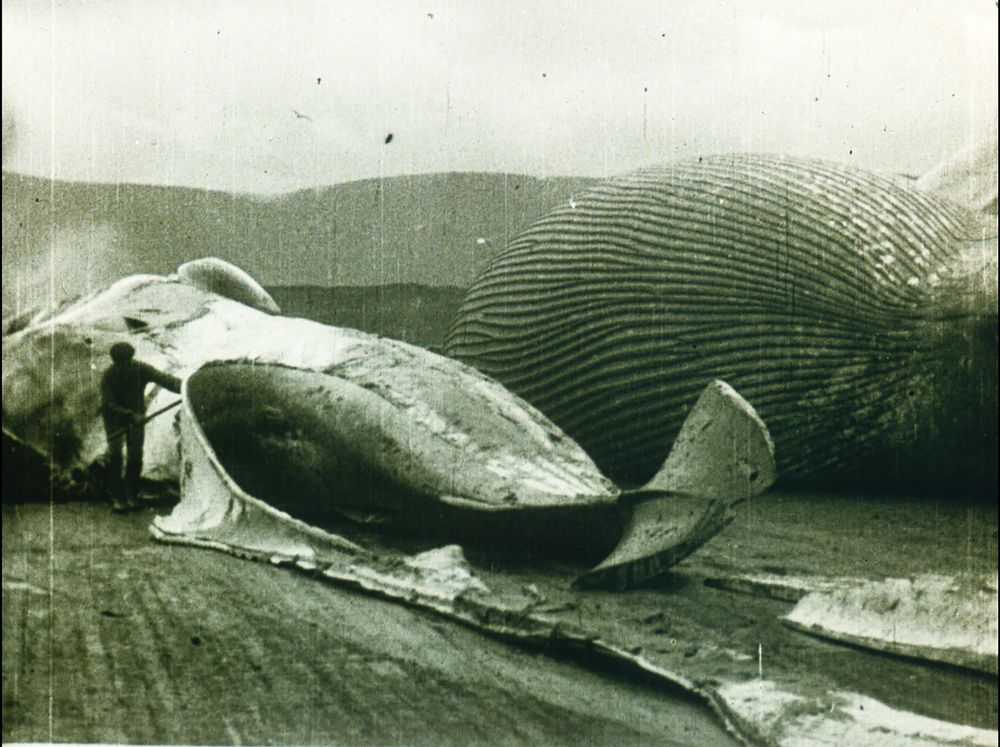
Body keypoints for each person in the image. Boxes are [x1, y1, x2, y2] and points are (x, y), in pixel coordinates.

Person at [100, 342, 181, 512]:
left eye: (127, 361)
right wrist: (131, 415)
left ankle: (131, 494)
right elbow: (109, 404)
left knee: (135, 455)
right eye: (120, 363)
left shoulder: (141, 369)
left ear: (131, 358)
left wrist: (183, 387)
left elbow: (165, 380)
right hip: (114, 418)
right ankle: (117, 497)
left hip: (136, 417)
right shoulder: (108, 376)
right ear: (115, 361)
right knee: (115, 455)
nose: (124, 366)